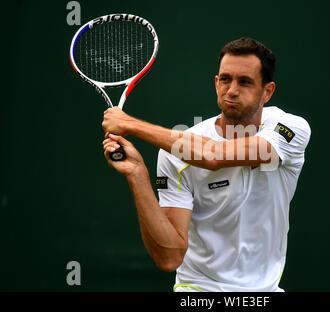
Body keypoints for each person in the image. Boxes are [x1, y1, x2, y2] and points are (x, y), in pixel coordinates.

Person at [102, 37, 311, 292]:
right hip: (199, 290)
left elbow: (213, 156)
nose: (232, 90)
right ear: (216, 83)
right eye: (225, 79)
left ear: (267, 91)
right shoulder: (174, 154)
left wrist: (130, 124)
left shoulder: (289, 129)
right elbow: (169, 257)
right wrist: (137, 174)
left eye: (245, 82)